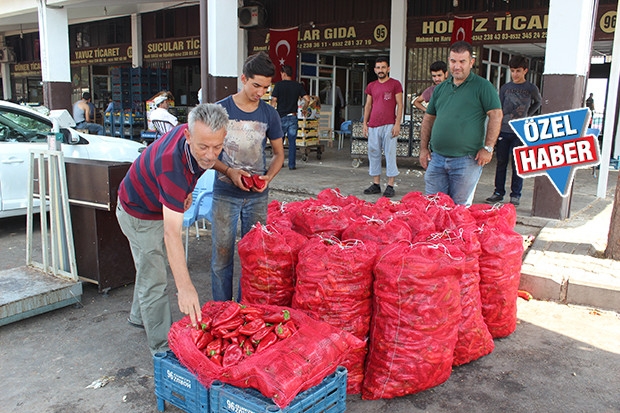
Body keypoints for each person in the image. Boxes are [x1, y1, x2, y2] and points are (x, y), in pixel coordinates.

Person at [116, 103, 229, 355]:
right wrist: (186, 288)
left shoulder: (196, 139)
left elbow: (201, 164)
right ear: (187, 136)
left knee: (148, 266)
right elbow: (172, 235)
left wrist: (190, 189)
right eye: (203, 147)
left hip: (157, 201)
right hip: (138, 212)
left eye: (217, 147)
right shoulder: (171, 166)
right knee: (155, 277)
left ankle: (138, 315)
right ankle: (163, 350)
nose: (211, 155)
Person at [211, 52, 285, 302]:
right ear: (243, 78)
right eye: (256, 85)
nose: (260, 92)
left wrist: (268, 177)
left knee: (252, 258)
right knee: (222, 256)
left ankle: (244, 311)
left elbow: (278, 154)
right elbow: (207, 154)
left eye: (266, 87)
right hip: (225, 194)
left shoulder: (269, 114)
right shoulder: (220, 110)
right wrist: (229, 171)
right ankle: (221, 312)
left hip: (257, 198)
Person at [419, 41, 502, 206]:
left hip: (467, 160)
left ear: (471, 62)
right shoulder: (441, 89)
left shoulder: (483, 86)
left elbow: (496, 115)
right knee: (434, 206)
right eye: (453, 61)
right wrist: (423, 148)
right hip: (437, 159)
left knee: (460, 210)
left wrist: (488, 148)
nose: (457, 66)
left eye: (462, 61)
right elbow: (428, 118)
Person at [486, 55, 542, 206]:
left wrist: (528, 115)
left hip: (520, 131)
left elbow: (538, 102)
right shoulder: (505, 88)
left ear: (525, 70)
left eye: (518, 71)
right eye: (512, 71)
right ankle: (498, 192)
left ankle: (515, 194)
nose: (515, 74)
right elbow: (499, 108)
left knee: (518, 163)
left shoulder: (531, 88)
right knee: (501, 162)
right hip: (504, 130)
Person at [362, 56, 404, 198]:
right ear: (375, 70)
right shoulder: (371, 86)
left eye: (383, 67)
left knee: (390, 154)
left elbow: (400, 104)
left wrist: (397, 124)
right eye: (378, 68)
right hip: (373, 125)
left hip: (389, 125)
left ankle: (390, 185)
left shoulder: (395, 84)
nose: (381, 70)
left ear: (388, 69)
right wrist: (365, 123)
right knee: (373, 153)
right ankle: (376, 184)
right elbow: (368, 105)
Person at [271, 64, 310, 170]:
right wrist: (304, 109)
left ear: (283, 74)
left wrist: (271, 114)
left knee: (280, 142)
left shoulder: (278, 85)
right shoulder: (297, 85)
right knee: (292, 142)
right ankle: (292, 165)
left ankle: (280, 163)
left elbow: (274, 101)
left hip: (281, 117)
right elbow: (307, 99)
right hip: (293, 117)